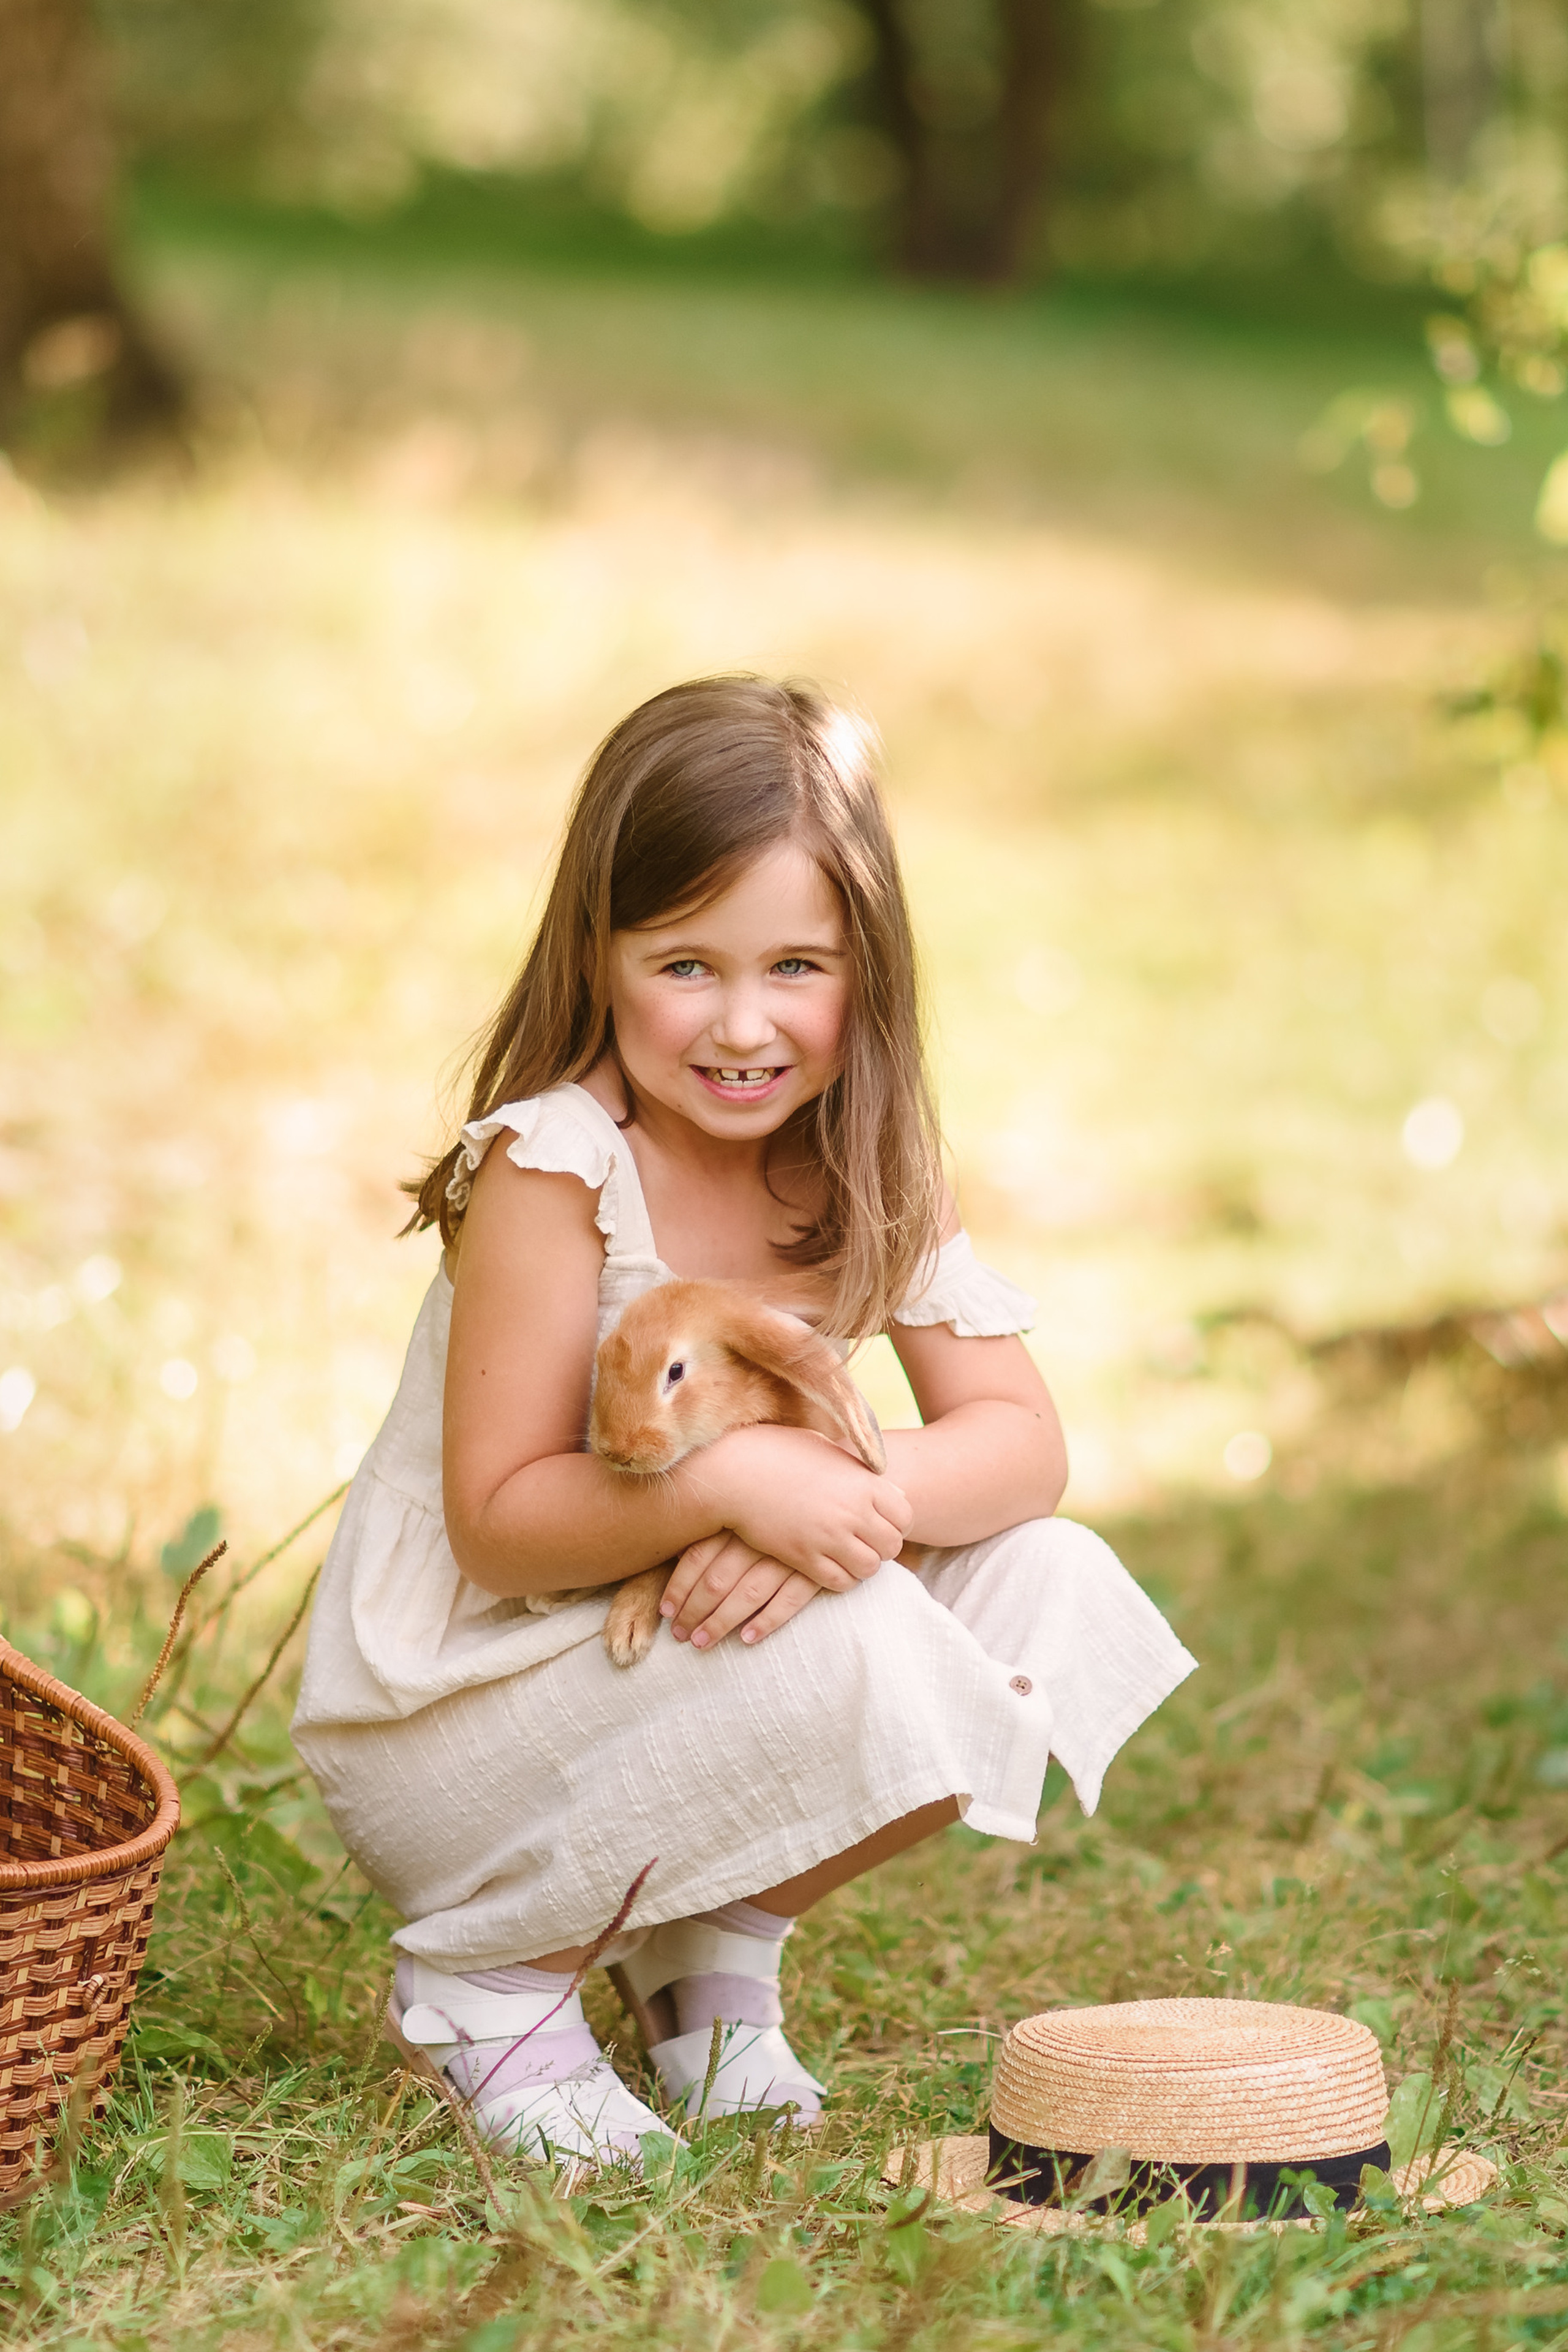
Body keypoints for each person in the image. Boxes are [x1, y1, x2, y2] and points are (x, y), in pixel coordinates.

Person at [293, 676, 1196, 2167]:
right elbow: (501, 1525)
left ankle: (703, 1936)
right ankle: (489, 1977)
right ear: (599, 952)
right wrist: (737, 1482)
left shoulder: (864, 1157)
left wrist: (828, 1504)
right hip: (466, 1712)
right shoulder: (557, 1167)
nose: (740, 1023)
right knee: (867, 1637)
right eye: (683, 964)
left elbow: (1019, 1444)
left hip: (671, 1668)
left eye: (794, 965)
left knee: (1051, 1582)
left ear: (868, 972)